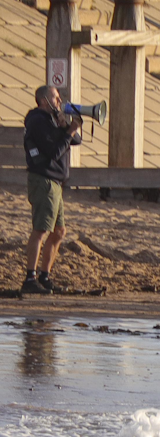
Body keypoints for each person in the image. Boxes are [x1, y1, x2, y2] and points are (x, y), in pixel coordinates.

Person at [20, 86, 82, 294]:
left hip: (55, 183)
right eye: (56, 98)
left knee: (59, 231)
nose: (60, 101)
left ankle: (45, 276)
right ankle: (30, 277)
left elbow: (75, 141)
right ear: (45, 100)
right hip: (44, 181)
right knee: (41, 230)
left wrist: (67, 126)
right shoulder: (38, 121)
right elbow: (54, 151)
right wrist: (69, 131)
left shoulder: (52, 120)